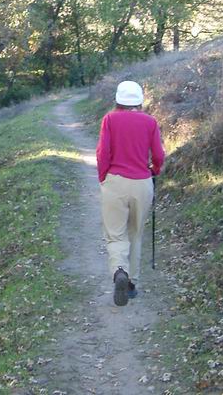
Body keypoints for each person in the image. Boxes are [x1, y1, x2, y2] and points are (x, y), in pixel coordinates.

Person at [95, 80, 165, 306]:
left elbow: (102, 153)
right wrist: (154, 171)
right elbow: (158, 155)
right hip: (142, 182)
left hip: (115, 182)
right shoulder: (150, 122)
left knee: (115, 234)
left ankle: (119, 271)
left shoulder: (110, 120)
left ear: (118, 100)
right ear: (139, 101)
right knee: (135, 233)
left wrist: (104, 176)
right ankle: (132, 283)